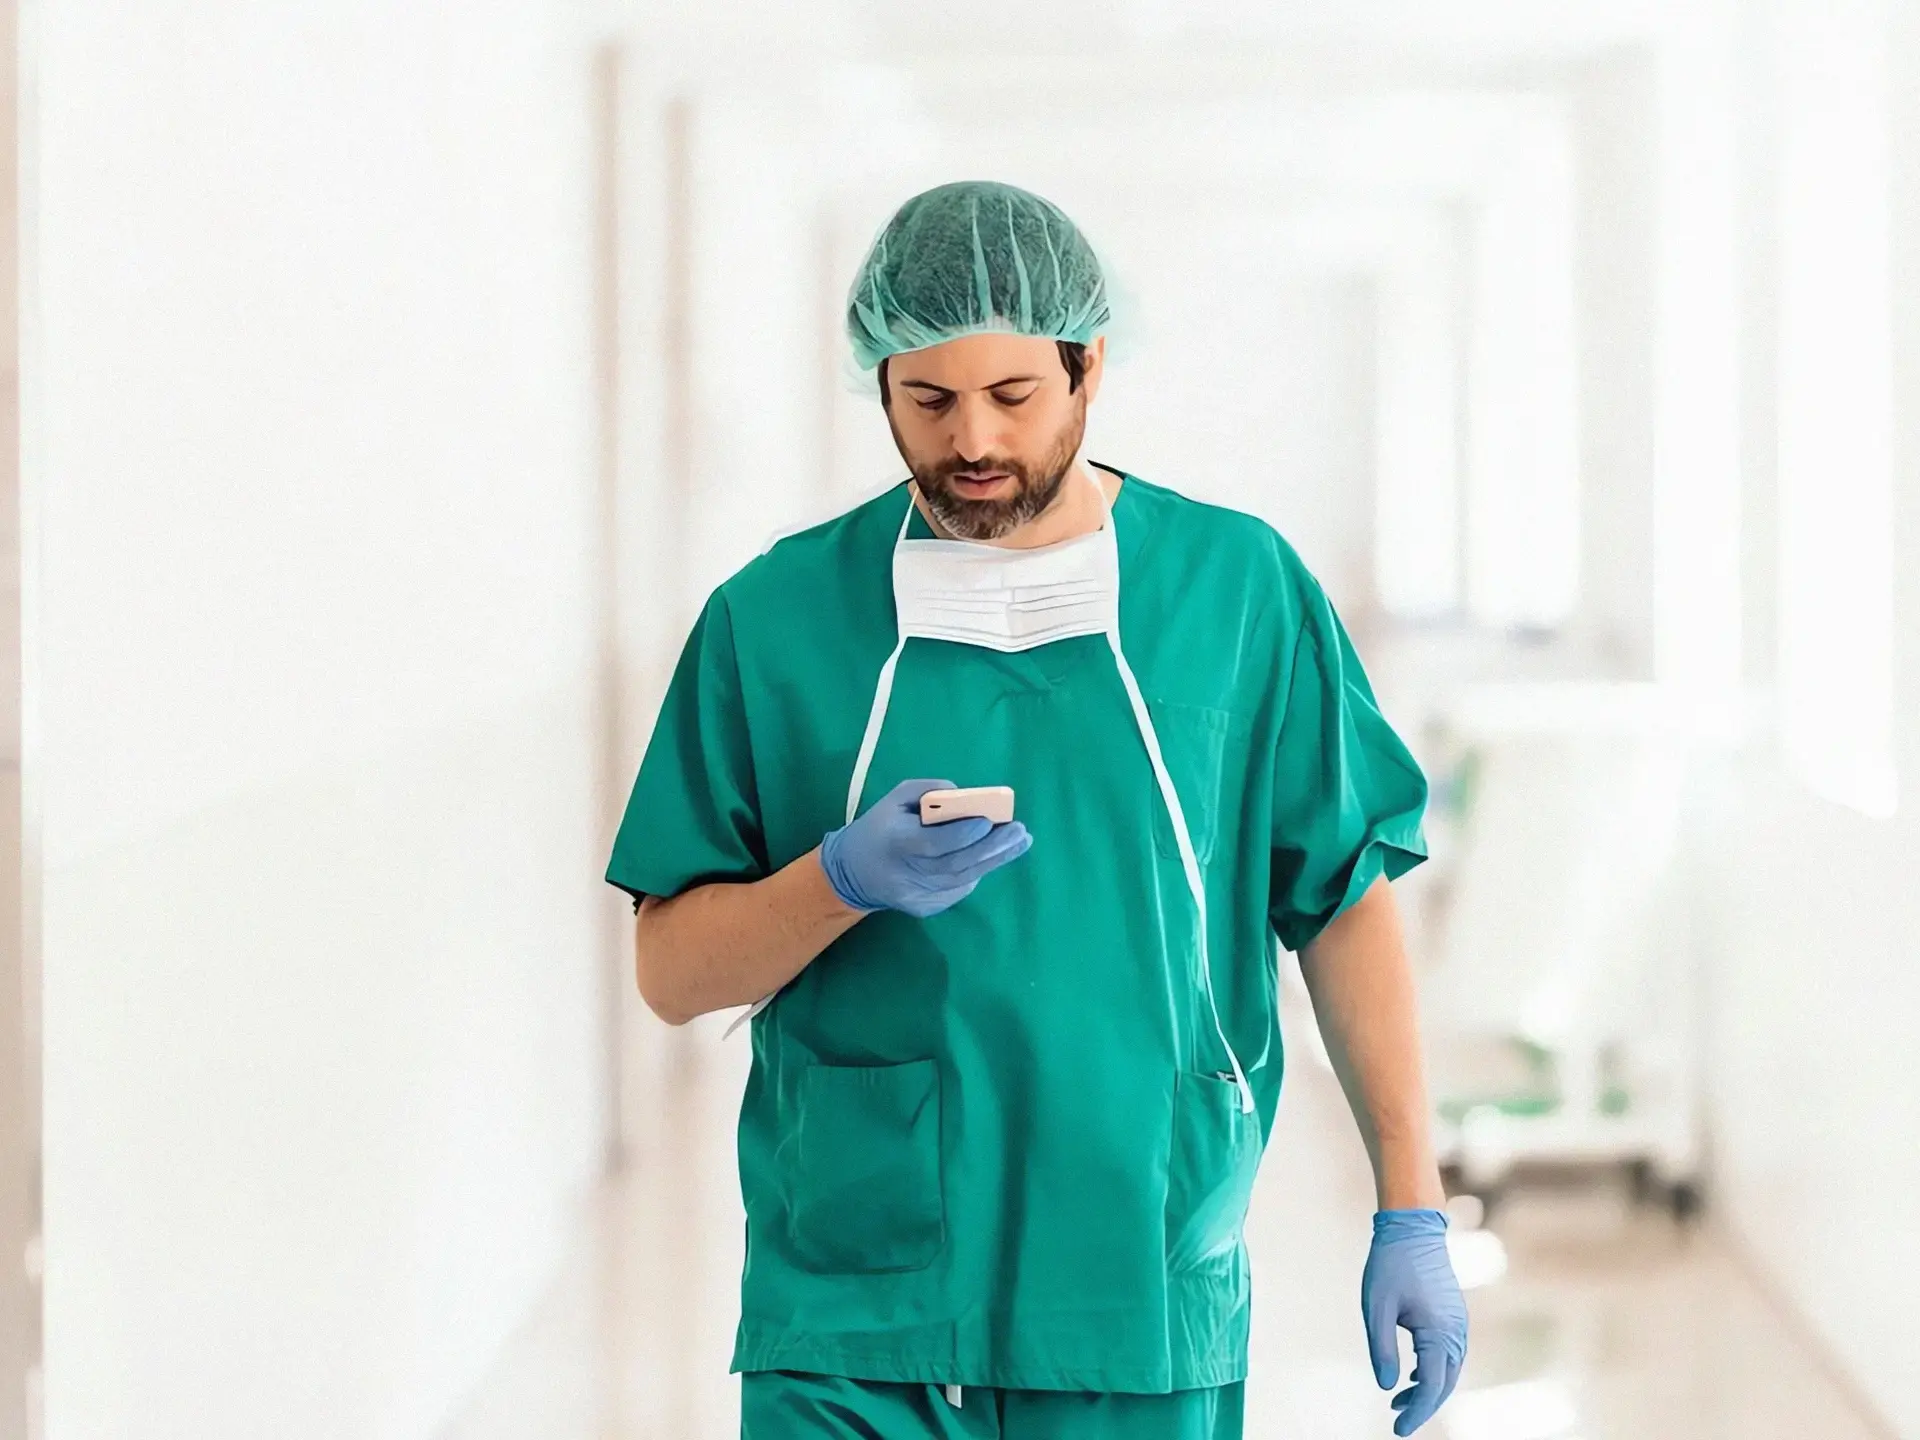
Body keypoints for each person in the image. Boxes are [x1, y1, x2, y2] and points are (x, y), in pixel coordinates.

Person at [606, 180, 1468, 1439]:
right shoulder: (775, 618)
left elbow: (1339, 899)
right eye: (928, 399)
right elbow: (671, 973)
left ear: (1089, 367)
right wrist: (836, 880)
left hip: (1134, 1269)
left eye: (1013, 396)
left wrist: (1412, 1202)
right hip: (854, 1293)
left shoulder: (1237, 591)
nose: (972, 442)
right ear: (880, 381)